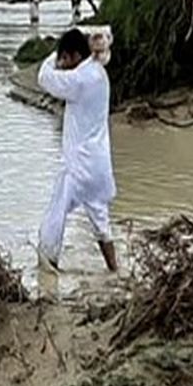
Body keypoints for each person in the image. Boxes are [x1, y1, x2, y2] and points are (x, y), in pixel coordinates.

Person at [36, 28, 118, 273]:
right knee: (101, 221)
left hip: (77, 166)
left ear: (73, 55)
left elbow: (44, 78)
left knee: (55, 215)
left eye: (64, 57)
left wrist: (53, 54)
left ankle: (48, 269)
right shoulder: (100, 73)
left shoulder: (79, 80)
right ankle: (114, 271)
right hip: (98, 165)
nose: (62, 63)